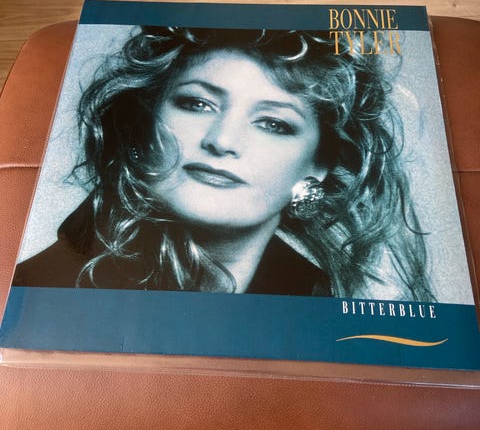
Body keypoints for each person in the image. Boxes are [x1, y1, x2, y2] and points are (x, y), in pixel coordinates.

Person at [13, 26, 434, 301]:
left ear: (319, 164)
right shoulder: (39, 291)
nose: (222, 141)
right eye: (197, 103)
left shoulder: (320, 306)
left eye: (273, 123)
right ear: (144, 121)